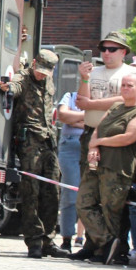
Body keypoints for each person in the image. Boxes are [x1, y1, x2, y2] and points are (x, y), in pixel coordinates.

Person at [69, 73, 136, 264]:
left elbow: (129, 137)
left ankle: (110, 251)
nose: (125, 88)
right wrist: (94, 145)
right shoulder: (115, 107)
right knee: (83, 203)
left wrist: (100, 141)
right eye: (123, 85)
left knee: (110, 210)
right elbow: (99, 126)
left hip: (117, 166)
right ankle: (106, 242)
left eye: (130, 85)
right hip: (97, 164)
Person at [0, 50, 66, 258]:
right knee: (31, 192)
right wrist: (8, 87)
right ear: (34, 63)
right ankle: (34, 241)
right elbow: (16, 85)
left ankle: (48, 240)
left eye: (46, 73)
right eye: (39, 70)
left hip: (48, 141)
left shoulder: (49, 82)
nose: (41, 75)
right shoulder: (24, 78)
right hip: (29, 143)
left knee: (53, 190)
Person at [56, 90, 85, 250]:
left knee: (91, 195)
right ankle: (66, 238)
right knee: (70, 193)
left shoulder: (101, 98)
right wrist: (86, 118)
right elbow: (63, 116)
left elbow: (101, 122)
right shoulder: (70, 96)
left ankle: (89, 240)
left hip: (92, 144)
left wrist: (75, 119)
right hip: (70, 145)